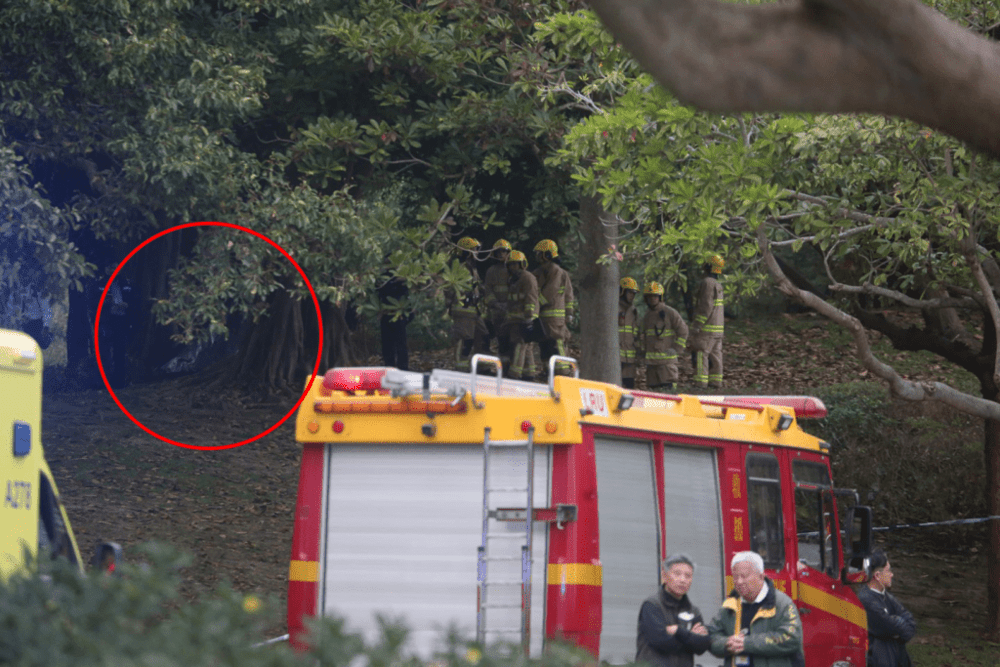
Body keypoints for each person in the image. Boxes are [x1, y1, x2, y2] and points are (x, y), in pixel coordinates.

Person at [707, 551, 804, 667]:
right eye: (735, 577)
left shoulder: (782, 604)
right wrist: (726, 643)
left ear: (761, 576)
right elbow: (711, 636)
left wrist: (747, 643)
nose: (739, 581)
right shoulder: (729, 605)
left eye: (744, 576)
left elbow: (792, 638)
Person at [636, 553, 712, 667]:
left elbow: (702, 645)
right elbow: (662, 642)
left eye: (688, 576)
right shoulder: (652, 605)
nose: (682, 580)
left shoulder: (693, 611)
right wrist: (691, 636)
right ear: (664, 575)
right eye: (677, 574)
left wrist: (678, 631)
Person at [856, 549, 916, 667]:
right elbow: (887, 624)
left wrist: (897, 627)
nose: (892, 574)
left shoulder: (886, 596)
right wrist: (897, 626)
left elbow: (909, 621)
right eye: (888, 571)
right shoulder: (866, 600)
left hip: (896, 657)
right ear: (877, 576)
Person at [532, 239, 576, 376]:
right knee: (544, 345)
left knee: (557, 344)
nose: (537, 256)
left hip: (554, 318)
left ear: (547, 255)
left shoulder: (556, 271)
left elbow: (551, 293)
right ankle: (548, 372)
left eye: (539, 253)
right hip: (542, 317)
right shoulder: (538, 272)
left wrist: (535, 305)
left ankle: (563, 372)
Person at [446, 236, 489, 371]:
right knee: (465, 340)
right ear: (467, 251)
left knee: (483, 336)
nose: (476, 252)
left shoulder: (472, 268)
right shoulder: (459, 268)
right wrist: (450, 305)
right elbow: (450, 290)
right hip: (463, 309)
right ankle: (461, 368)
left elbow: (477, 286)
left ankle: (482, 367)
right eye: (474, 250)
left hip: (474, 310)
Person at [641, 282, 688, 393]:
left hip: (667, 364)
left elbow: (683, 331)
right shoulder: (647, 316)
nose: (652, 299)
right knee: (653, 395)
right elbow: (642, 336)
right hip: (651, 365)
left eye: (655, 296)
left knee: (669, 394)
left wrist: (676, 349)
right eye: (649, 297)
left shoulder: (670, 313)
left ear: (660, 297)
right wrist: (641, 352)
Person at [689, 255, 725, 390]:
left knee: (701, 353)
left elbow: (705, 307)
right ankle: (716, 382)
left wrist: (697, 326)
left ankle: (700, 383)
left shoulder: (707, 283)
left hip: (707, 329)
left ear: (708, 266)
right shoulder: (718, 284)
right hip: (718, 329)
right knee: (716, 355)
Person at [504, 250, 539, 381]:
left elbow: (531, 298)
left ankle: (514, 373)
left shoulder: (527, 277)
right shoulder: (512, 279)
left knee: (520, 344)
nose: (513, 267)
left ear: (522, 264)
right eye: (510, 264)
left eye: (515, 264)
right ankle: (529, 373)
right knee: (527, 346)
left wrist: (529, 317)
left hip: (525, 318)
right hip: (516, 318)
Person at [483, 239, 513, 369]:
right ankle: (504, 368)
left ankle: (513, 367)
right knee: (502, 341)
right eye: (498, 252)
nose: (501, 254)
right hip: (497, 313)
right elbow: (488, 290)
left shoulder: (513, 269)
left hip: (512, 311)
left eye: (504, 251)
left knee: (513, 341)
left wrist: (510, 304)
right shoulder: (491, 271)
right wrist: (495, 303)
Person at [377, 269, 411, 370]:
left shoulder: (403, 279)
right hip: (386, 313)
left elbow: (406, 294)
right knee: (388, 344)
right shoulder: (383, 277)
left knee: (400, 343)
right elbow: (379, 292)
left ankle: (402, 368)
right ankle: (390, 367)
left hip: (399, 313)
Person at [618, 277, 640, 389]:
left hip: (630, 356)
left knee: (629, 386)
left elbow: (636, 333)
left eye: (634, 294)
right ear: (622, 292)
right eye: (630, 293)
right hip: (617, 356)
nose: (632, 296)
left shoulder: (634, 311)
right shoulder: (613, 308)